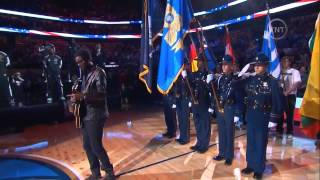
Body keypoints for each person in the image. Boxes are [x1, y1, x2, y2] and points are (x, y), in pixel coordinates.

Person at [70, 48, 115, 180]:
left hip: (97, 114)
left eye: (80, 62)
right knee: (87, 145)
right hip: (86, 114)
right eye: (77, 63)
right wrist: (74, 101)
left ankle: (109, 172)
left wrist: (82, 96)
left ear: (88, 60)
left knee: (95, 145)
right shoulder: (83, 74)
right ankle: (95, 173)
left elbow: (102, 95)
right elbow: (82, 94)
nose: (78, 65)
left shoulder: (99, 72)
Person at [240, 53, 282, 179]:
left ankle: (259, 168)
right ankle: (250, 165)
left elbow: (278, 101)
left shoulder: (272, 82)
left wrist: (273, 119)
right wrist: (242, 72)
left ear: (266, 65)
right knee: (251, 142)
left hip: (263, 116)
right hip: (251, 115)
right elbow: (237, 85)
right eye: (255, 65)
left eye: (260, 65)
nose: (257, 67)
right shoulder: (251, 79)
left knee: (260, 142)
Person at [209, 55, 243, 165]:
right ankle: (222, 153)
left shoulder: (236, 79)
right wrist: (210, 83)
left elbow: (239, 97)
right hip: (220, 108)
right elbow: (216, 93)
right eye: (223, 65)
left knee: (229, 133)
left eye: (226, 64)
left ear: (232, 66)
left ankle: (229, 156)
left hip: (230, 108)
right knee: (222, 132)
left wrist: (237, 113)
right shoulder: (220, 78)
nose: (223, 67)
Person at [182, 57, 211, 153]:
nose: (198, 63)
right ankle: (199, 143)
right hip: (195, 103)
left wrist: (208, 82)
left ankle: (204, 145)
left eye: (201, 61)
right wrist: (185, 78)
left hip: (204, 102)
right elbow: (189, 87)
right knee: (198, 123)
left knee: (205, 124)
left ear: (205, 62)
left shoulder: (208, 75)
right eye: (198, 61)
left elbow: (211, 90)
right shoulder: (194, 74)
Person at [277, 56, 301, 139]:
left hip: (290, 96)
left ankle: (289, 131)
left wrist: (287, 92)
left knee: (289, 115)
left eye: (286, 61)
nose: (284, 63)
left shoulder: (295, 72)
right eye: (283, 61)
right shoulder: (278, 73)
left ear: (289, 62)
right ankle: (279, 131)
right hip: (280, 96)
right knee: (279, 114)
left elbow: (296, 83)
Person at [172, 72, 191, 145]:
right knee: (180, 119)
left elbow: (190, 88)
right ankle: (182, 136)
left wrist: (189, 100)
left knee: (185, 119)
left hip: (185, 100)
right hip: (179, 99)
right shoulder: (178, 76)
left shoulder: (189, 75)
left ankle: (186, 138)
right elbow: (176, 87)